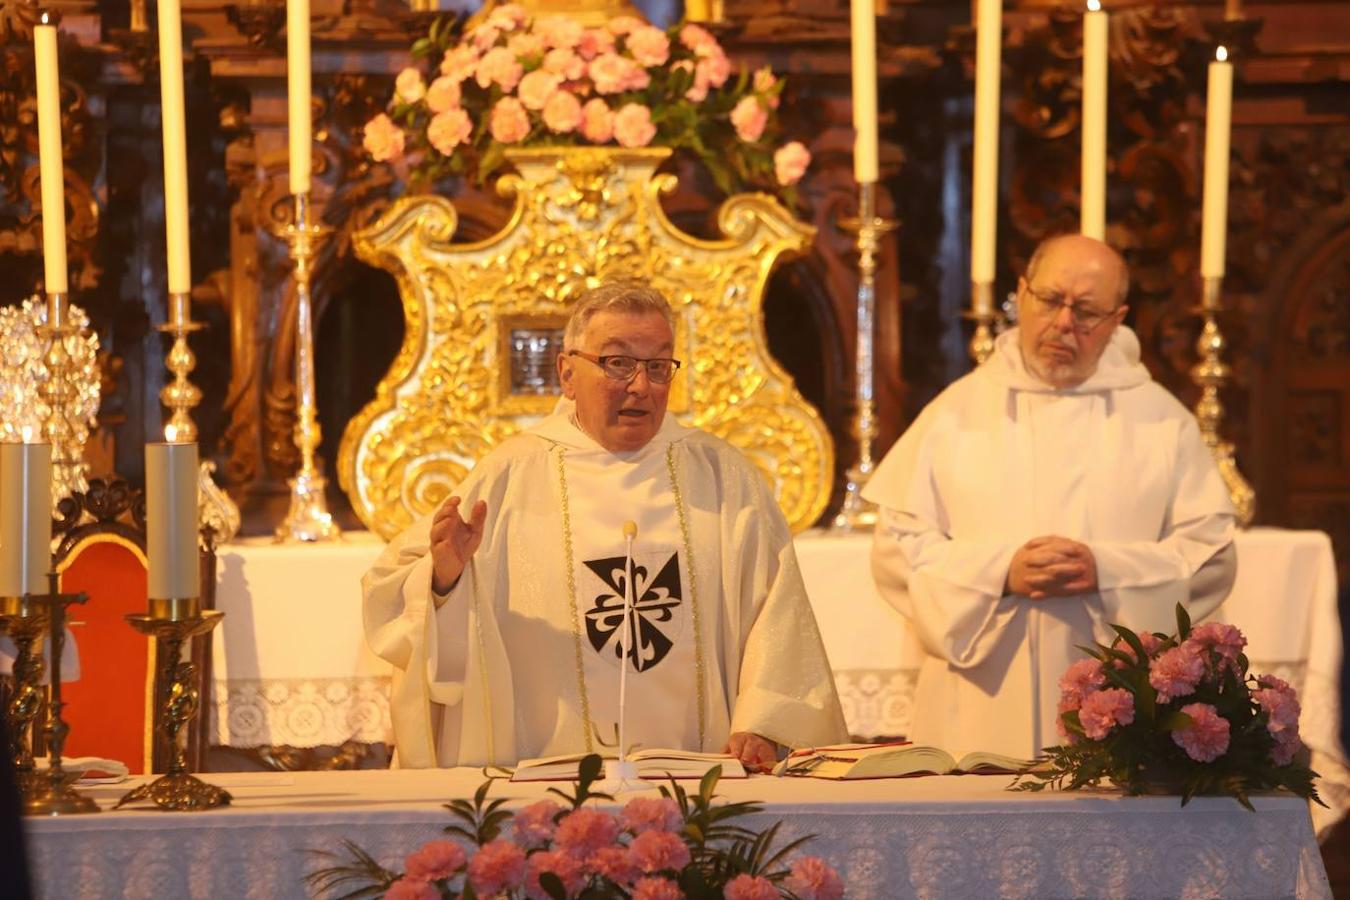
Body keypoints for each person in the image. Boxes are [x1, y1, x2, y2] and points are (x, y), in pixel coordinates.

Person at [364, 282, 846, 770]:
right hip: (546, 788)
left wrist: (761, 721)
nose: (641, 385)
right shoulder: (511, 474)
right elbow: (394, 591)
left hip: (702, 783)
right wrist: (445, 579)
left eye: (658, 366)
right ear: (568, 374)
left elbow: (778, 615)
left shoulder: (723, 477)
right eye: (618, 363)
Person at [864, 234, 1237, 759]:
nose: (1064, 323)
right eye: (1050, 300)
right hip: (977, 701)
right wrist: (1000, 574)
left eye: (1087, 310)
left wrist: (1105, 569)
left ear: (1117, 319)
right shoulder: (955, 414)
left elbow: (1211, 553)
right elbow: (896, 549)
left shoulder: (1160, 420)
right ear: (1022, 293)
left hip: (1121, 708)